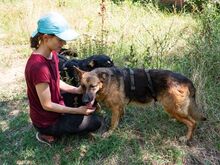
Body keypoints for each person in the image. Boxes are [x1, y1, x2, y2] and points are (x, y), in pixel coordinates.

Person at [25, 12, 101, 146]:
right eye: (60, 39)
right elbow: (47, 105)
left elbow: (55, 81)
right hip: (47, 121)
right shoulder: (38, 67)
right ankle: (45, 133)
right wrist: (78, 111)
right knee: (95, 122)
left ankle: (70, 114)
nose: (64, 43)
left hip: (56, 103)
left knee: (89, 100)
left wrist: (76, 90)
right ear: (46, 37)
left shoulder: (52, 54)